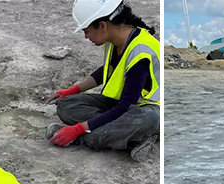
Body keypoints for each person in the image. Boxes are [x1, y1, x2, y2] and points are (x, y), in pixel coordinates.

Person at [46, 0, 160, 163]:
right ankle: (123, 134)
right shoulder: (114, 41)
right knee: (65, 105)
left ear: (102, 26)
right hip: (118, 104)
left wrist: (78, 129)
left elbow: (125, 106)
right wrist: (73, 90)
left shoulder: (141, 52)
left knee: (144, 120)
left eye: (86, 31)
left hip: (146, 110)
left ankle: (94, 136)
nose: (86, 36)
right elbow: (105, 71)